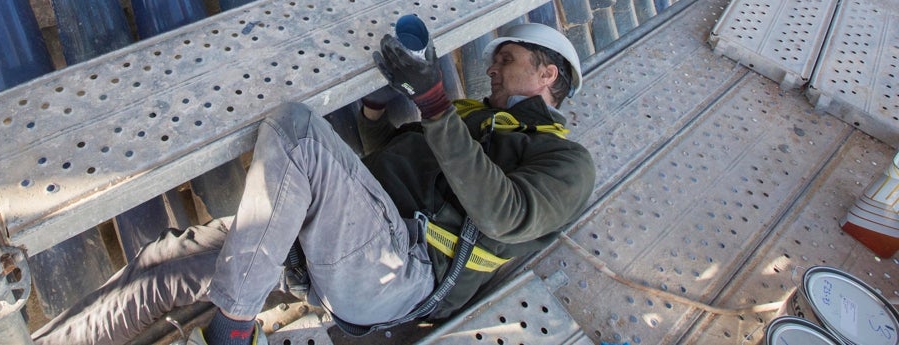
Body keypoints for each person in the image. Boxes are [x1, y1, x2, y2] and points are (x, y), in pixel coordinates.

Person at [33, 23, 595, 345]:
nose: (492, 68)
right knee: (168, 262)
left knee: (297, 131)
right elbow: (401, 174)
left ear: (548, 74)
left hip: (401, 271)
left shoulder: (566, 162)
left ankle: (231, 330)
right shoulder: (471, 115)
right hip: (347, 236)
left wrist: (432, 102)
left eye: (507, 58)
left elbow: (502, 215)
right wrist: (382, 116)